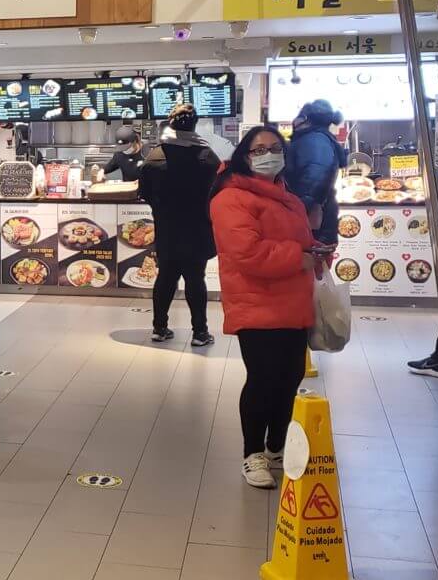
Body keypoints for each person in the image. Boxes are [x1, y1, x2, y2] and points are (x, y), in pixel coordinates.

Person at [210, 125, 320, 489]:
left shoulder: (286, 195)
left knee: (289, 378)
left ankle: (276, 446)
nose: (268, 154)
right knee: (262, 380)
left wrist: (315, 250)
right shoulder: (231, 198)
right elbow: (246, 253)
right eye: (259, 150)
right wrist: (298, 258)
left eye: (274, 148)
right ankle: (253, 453)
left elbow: (295, 239)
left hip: (293, 299)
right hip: (256, 301)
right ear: (244, 156)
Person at [139, 105, 221, 346]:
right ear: (195, 125)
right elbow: (218, 192)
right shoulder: (207, 156)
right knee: (196, 279)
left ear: (170, 124)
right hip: (197, 230)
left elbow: (143, 191)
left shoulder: (156, 156)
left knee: (165, 277)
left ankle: (159, 328)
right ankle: (200, 333)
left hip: (167, 229)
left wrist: (160, 208)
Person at [285, 100, 347, 245]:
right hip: (314, 221)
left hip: (312, 223)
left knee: (311, 265)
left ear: (305, 119)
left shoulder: (314, 140)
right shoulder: (316, 138)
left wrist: (298, 211)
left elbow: (315, 178)